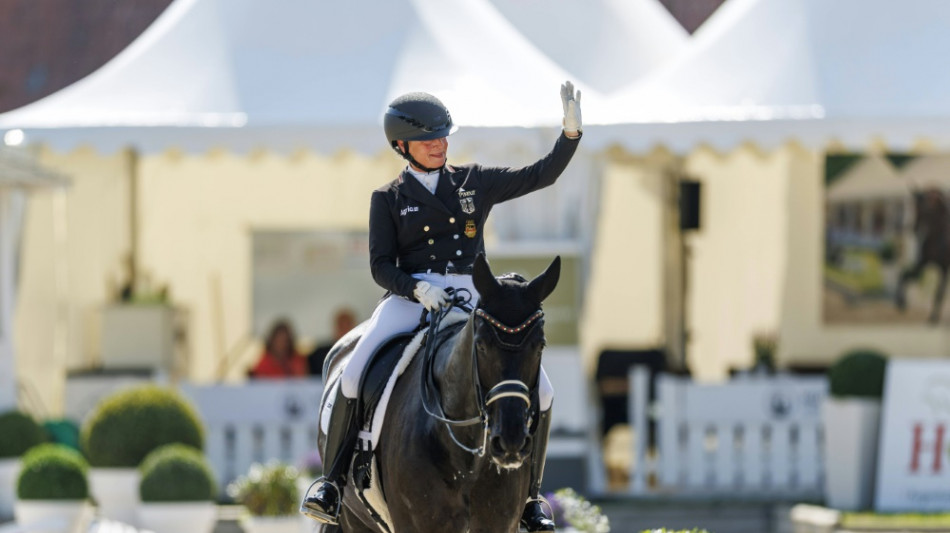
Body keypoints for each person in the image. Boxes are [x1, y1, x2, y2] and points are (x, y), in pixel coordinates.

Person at [301, 81, 582, 532]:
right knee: (351, 375)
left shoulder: (474, 181)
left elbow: (540, 175)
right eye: (428, 139)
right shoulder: (388, 198)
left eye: (443, 136)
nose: (439, 145)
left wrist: (569, 137)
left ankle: (530, 498)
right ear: (402, 146)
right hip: (411, 298)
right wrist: (416, 289)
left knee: (542, 390)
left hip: (472, 297)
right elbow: (380, 265)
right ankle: (331, 484)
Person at [307, 308, 358, 377]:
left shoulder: (362, 353)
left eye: (348, 325)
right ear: (335, 328)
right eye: (341, 326)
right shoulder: (319, 356)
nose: (345, 331)